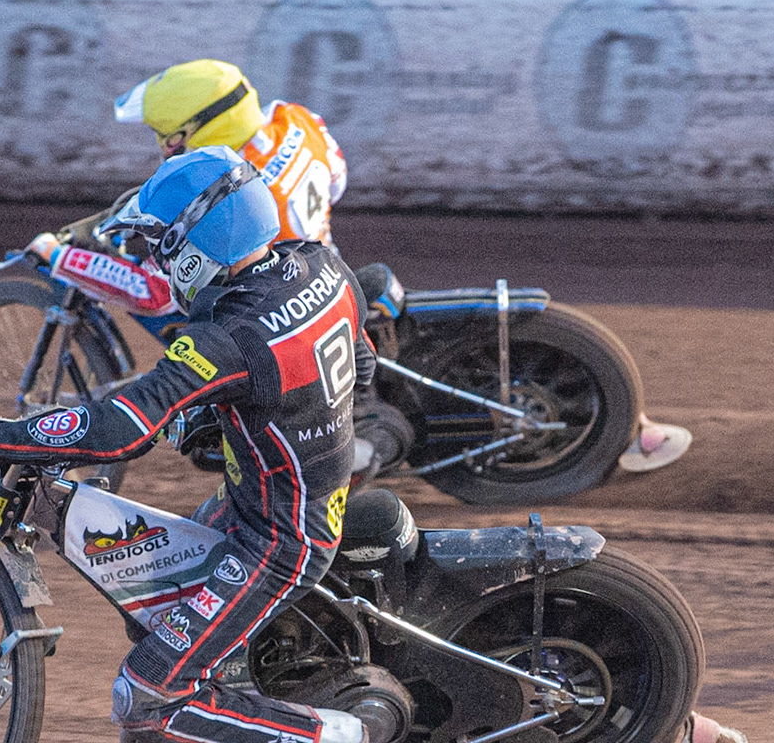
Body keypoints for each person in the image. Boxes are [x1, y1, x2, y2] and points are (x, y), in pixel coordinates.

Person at [0, 147, 389, 743]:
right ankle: (237, 691)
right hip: (284, 498)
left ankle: (329, 742)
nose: (154, 261)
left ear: (197, 244)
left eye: (159, 245)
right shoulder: (320, 264)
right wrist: (241, 413)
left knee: (142, 701)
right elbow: (366, 366)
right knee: (156, 586)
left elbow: (118, 429)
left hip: (278, 539)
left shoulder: (230, 336)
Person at [111, 59, 694, 475]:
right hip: (329, 265)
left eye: (171, 135)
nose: (164, 145)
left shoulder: (238, 195)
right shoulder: (296, 123)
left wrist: (78, 258)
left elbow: (193, 274)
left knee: (303, 392)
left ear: (207, 127)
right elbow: (337, 175)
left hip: (290, 292)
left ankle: (358, 450)